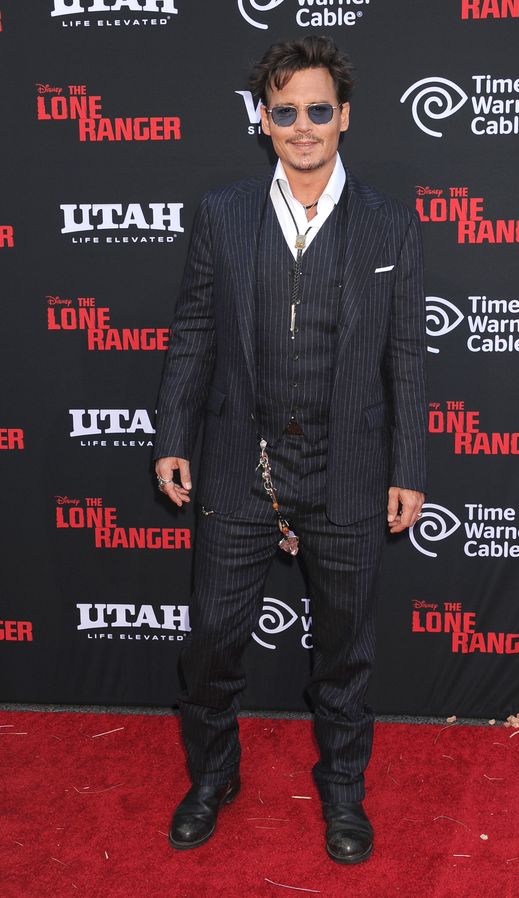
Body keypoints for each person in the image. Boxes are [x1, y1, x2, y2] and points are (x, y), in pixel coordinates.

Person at [153, 35, 427, 865]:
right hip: (241, 464)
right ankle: (214, 777)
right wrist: (173, 434)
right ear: (263, 121)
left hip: (347, 470)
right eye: (285, 111)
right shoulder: (224, 214)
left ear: (343, 117)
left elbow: (407, 355)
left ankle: (344, 793)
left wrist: (408, 466)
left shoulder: (388, 222)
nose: (303, 126)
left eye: (318, 109)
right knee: (211, 645)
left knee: (345, 653)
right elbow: (195, 331)